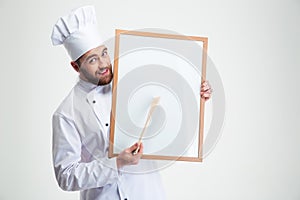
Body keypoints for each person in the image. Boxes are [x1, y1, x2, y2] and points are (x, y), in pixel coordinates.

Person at [51, 5, 212, 200]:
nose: (104, 64)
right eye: (93, 60)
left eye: (104, 53)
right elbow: (66, 176)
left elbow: (170, 99)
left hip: (148, 193)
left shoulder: (133, 83)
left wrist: (197, 91)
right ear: (75, 66)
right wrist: (116, 163)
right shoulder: (67, 112)